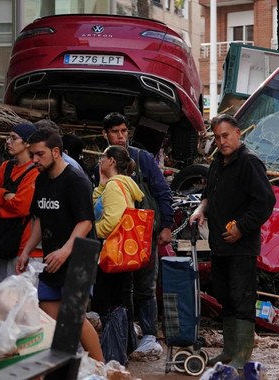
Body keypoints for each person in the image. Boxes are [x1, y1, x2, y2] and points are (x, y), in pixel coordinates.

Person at [190, 114, 275, 369]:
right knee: (225, 296)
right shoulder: (218, 161)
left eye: (226, 135)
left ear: (238, 133)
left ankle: (241, 354)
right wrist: (201, 208)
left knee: (242, 298)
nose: (221, 141)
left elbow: (265, 202)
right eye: (217, 137)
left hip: (242, 247)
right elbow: (208, 194)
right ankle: (228, 351)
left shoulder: (249, 163)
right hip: (219, 244)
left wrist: (242, 227)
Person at [15, 127, 104, 362]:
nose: (34, 160)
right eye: (32, 154)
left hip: (79, 257)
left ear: (56, 152)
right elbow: (39, 219)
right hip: (52, 258)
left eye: (39, 154)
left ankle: (104, 369)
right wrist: (25, 252)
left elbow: (85, 222)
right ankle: (66, 366)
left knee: (73, 318)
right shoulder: (42, 179)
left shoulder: (76, 180)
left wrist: (65, 251)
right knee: (49, 315)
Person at [99, 112, 174, 357]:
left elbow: (163, 192)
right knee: (121, 288)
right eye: (115, 132)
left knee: (145, 285)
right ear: (105, 134)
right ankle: (127, 334)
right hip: (113, 238)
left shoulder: (142, 158)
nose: (121, 137)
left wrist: (166, 226)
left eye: (123, 131)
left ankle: (150, 336)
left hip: (142, 234)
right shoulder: (102, 164)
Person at [91, 145, 144, 360]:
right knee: (119, 300)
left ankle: (108, 351)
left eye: (102, 157)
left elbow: (113, 220)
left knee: (105, 303)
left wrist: (91, 231)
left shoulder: (115, 186)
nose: (100, 161)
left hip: (110, 253)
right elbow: (96, 205)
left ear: (111, 161)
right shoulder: (119, 185)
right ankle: (119, 347)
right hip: (122, 253)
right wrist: (101, 185)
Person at [0, 123, 40, 285]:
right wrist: (5, 195)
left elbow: (21, 207)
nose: (8, 141)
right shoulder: (6, 166)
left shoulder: (35, 171)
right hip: (1, 242)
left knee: (17, 302)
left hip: (21, 246)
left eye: (13, 138)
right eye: (8, 137)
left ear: (27, 143)